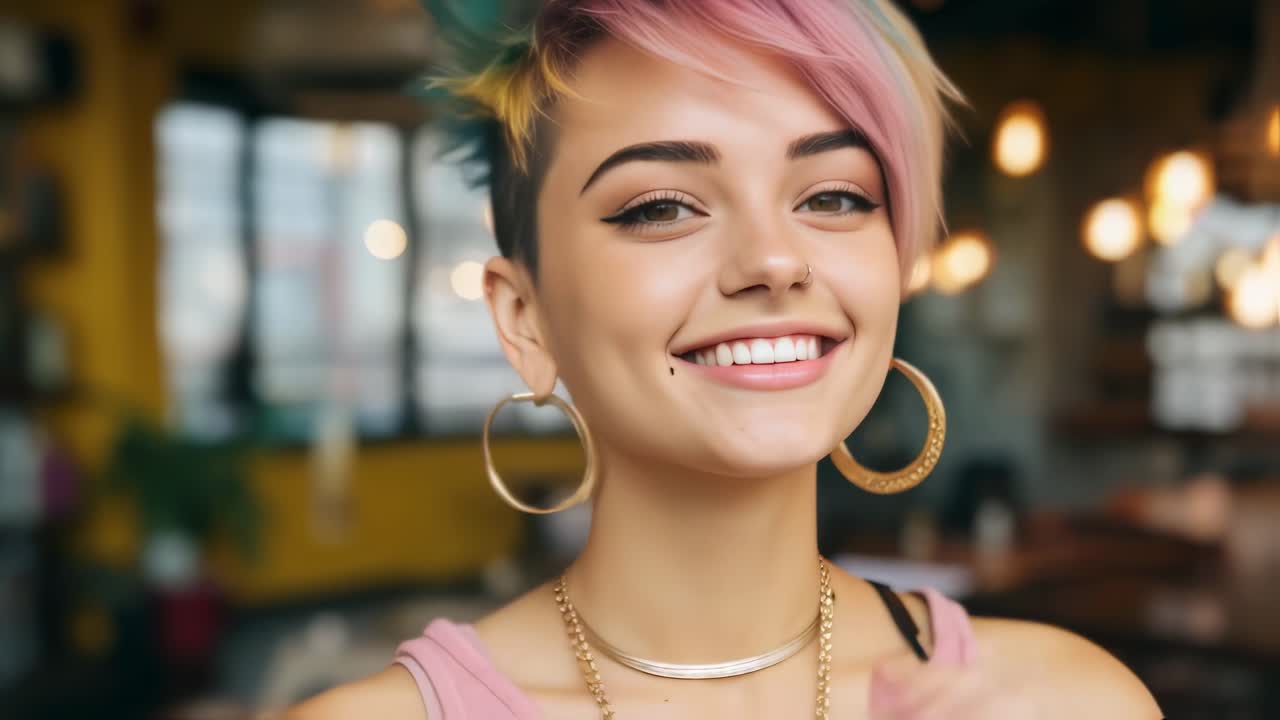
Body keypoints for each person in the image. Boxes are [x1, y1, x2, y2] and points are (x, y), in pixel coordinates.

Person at [290, 0, 1163, 717]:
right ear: (525, 319)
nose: (774, 261)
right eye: (663, 208)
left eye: (834, 195)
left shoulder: (1073, 702)